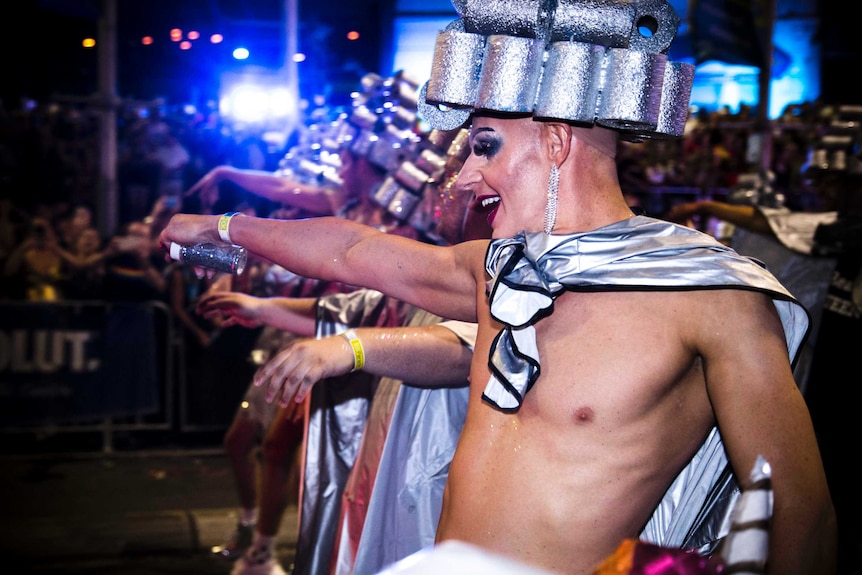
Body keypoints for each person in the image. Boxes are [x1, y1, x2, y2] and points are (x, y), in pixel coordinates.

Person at [160, 2, 836, 573]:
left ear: (555, 141)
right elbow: (353, 246)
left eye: (483, 146)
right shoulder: (498, 272)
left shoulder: (710, 298)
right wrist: (223, 223)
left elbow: (800, 516)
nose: (462, 179)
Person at [665, 106, 862, 575]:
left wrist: (710, 208)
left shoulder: (849, 229)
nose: (827, 191)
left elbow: (794, 227)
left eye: (840, 183)